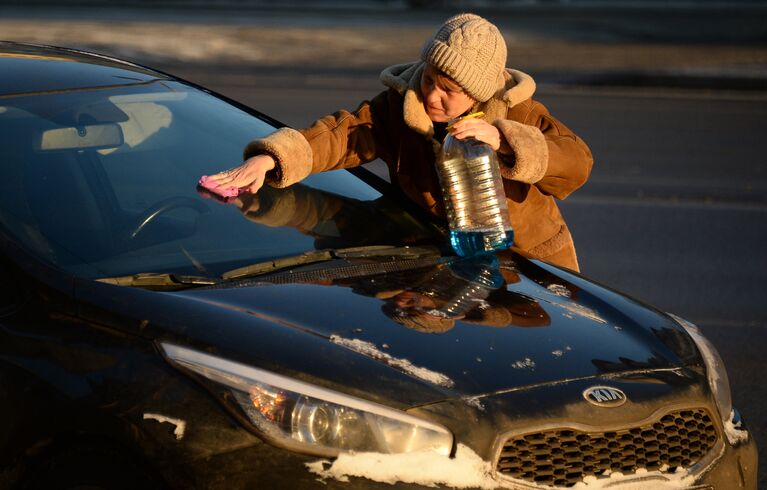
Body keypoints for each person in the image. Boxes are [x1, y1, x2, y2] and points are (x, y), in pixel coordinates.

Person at [204, 13, 593, 271]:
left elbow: (577, 163)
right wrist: (270, 159)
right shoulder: (398, 110)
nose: (431, 97)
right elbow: (341, 134)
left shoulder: (520, 114)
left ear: (477, 94)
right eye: (429, 80)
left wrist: (505, 140)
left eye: (449, 90)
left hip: (535, 267)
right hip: (442, 264)